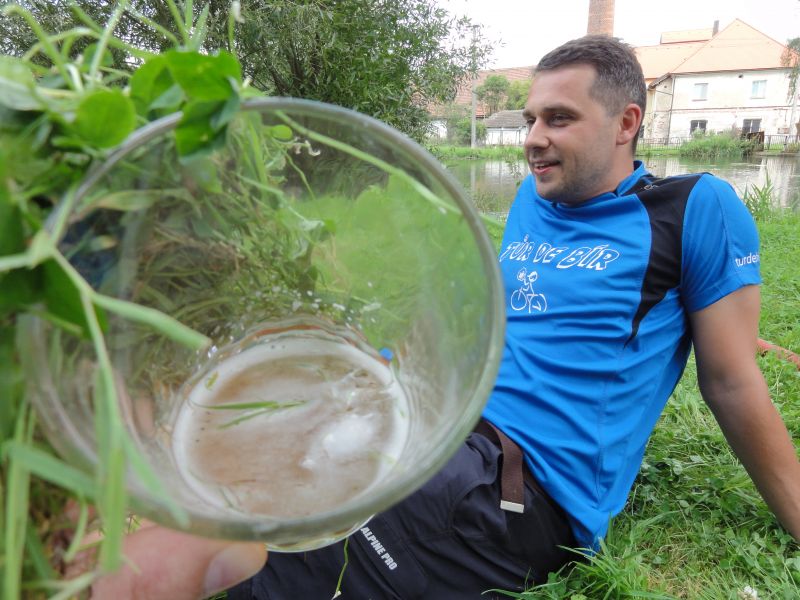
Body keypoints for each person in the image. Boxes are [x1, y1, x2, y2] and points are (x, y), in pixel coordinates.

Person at [96, 35, 800, 599]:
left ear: (626, 124)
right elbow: (506, 312)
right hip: (443, 419)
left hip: (516, 483)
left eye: (558, 119)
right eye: (530, 118)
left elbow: (730, 380)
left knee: (301, 530)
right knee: (274, 439)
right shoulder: (535, 197)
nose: (532, 138)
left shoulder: (694, 208)